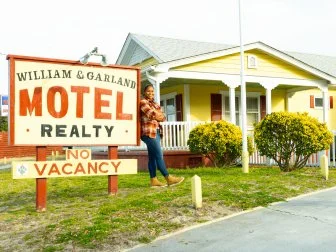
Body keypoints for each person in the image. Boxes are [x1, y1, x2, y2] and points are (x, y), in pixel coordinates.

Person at [140, 84, 184, 187]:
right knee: (159, 155)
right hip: (148, 132)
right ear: (144, 92)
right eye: (148, 91)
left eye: (152, 91)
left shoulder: (155, 104)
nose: (151, 93)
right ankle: (168, 178)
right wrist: (157, 114)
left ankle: (154, 180)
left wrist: (157, 115)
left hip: (157, 131)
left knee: (152, 157)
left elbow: (163, 118)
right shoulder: (143, 102)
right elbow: (152, 115)